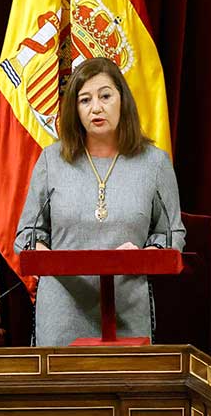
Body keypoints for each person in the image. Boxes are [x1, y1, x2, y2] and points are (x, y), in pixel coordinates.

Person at [13, 57, 186, 346]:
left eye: (105, 96)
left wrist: (147, 252)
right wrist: (42, 252)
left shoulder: (154, 163)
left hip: (128, 309)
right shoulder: (51, 161)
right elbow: (26, 235)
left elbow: (173, 233)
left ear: (123, 100)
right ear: (75, 110)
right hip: (62, 312)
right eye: (84, 100)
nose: (96, 107)